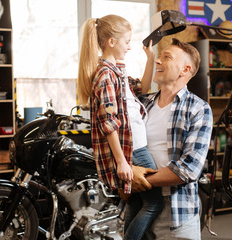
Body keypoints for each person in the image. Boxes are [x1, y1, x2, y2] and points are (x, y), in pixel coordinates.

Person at [77, 15, 163, 240]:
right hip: (133, 150)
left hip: (133, 147)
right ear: (111, 42)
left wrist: (150, 58)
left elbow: (142, 88)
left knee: (135, 204)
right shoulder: (105, 75)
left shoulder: (118, 70)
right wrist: (122, 162)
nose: (130, 46)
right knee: (154, 203)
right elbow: (109, 123)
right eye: (127, 42)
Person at [133, 38, 213, 240]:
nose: (159, 61)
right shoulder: (143, 104)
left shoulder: (198, 109)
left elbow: (188, 169)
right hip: (137, 203)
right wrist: (150, 59)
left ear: (185, 70)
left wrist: (138, 180)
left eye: (166, 57)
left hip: (177, 211)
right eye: (159, 57)